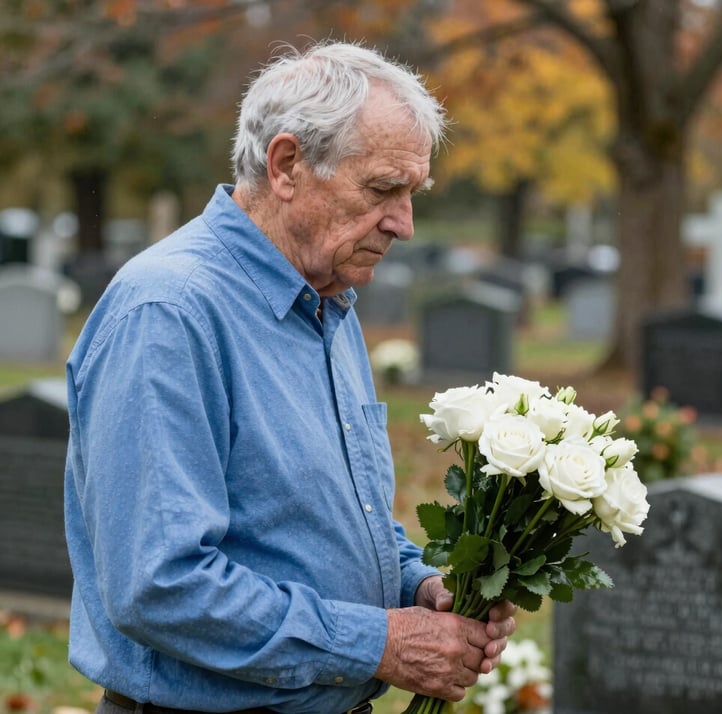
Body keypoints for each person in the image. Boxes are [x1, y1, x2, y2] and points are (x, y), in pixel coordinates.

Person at [64, 41, 516, 714]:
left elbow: (330, 518)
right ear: (285, 166)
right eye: (382, 189)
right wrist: (378, 643)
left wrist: (418, 589)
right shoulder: (170, 312)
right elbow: (159, 584)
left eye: (412, 194)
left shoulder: (326, 295)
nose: (404, 223)